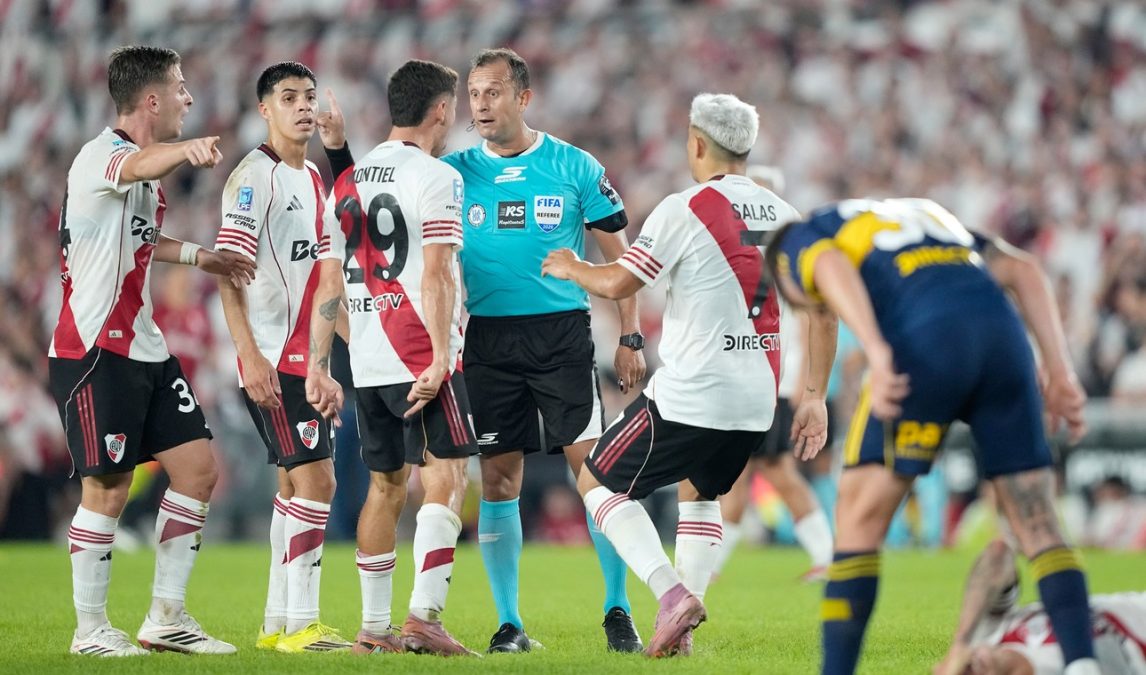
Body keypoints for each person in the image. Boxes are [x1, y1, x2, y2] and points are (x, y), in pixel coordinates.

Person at [541, 93, 836, 658]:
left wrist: (571, 266)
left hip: (694, 392)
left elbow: (620, 283)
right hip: (757, 399)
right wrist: (815, 396)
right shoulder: (788, 216)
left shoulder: (686, 207)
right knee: (699, 495)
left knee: (596, 483)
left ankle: (670, 593)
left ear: (698, 144)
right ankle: (682, 636)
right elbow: (823, 313)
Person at [764, 198, 1100, 675]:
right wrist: (1061, 372)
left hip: (925, 343)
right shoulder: (932, 220)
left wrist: (878, 354)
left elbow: (831, 265)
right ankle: (1083, 664)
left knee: (858, 523)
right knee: (1039, 520)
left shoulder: (800, 236)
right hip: (1004, 340)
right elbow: (1024, 271)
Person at [48, 45, 255, 657]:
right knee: (107, 491)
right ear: (152, 100)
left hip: (144, 346)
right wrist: (184, 152)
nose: (189, 98)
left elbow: (141, 236)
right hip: (93, 349)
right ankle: (90, 632)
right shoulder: (100, 158)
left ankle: (167, 618)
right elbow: (138, 166)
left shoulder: (139, 172)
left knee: (198, 469)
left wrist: (201, 255)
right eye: (181, 87)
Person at [441, 46, 647, 655]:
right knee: (500, 478)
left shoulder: (575, 166)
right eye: (474, 94)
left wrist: (630, 335)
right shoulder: (453, 173)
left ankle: (618, 610)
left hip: (560, 335)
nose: (480, 104)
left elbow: (622, 257)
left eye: (493, 92)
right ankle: (509, 624)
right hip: (487, 339)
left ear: (523, 98)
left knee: (594, 471)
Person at [306, 59, 477, 657]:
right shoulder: (435, 176)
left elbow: (329, 284)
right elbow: (434, 274)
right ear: (438, 110)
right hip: (419, 353)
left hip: (368, 362)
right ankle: (424, 620)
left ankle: (373, 633)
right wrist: (437, 357)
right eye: (453, 107)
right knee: (448, 475)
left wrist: (317, 365)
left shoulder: (345, 182)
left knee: (385, 487)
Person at [214, 61, 352, 653]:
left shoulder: (316, 179)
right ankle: (303, 625)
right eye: (289, 97)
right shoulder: (253, 178)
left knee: (296, 487)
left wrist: (362, 348)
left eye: (309, 96)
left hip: (305, 357)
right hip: (272, 359)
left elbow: (326, 283)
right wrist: (248, 355)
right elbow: (228, 273)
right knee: (319, 479)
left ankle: (277, 624)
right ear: (264, 109)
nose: (303, 107)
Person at [711, 164, 834, 584]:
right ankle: (710, 568)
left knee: (773, 472)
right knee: (743, 475)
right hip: (755, 377)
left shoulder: (782, 249)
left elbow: (803, 316)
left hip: (774, 380)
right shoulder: (759, 249)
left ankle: (826, 556)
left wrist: (803, 384)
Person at [934, 539, 1145, 674]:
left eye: (964, 670)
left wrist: (960, 642)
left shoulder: (991, 632)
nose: (972, 668)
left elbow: (998, 555)